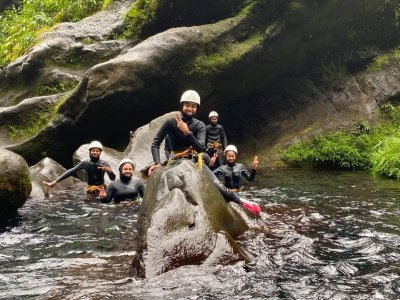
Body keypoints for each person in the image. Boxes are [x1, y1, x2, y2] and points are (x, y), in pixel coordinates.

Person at [148, 90, 261, 215]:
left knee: (217, 185)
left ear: (196, 108)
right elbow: (156, 143)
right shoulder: (171, 122)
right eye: (187, 105)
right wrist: (157, 163)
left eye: (193, 106)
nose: (190, 108)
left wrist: (187, 132)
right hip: (176, 160)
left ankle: (242, 202)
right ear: (182, 106)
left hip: (195, 160)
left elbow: (200, 148)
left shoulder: (199, 125)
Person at [43, 141, 116, 200]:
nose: (95, 152)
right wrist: (55, 182)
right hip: (90, 189)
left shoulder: (104, 163)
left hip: (102, 188)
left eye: (97, 151)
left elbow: (112, 178)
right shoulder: (85, 163)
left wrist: (108, 170)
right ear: (90, 152)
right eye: (93, 150)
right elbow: (71, 171)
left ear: (100, 152)